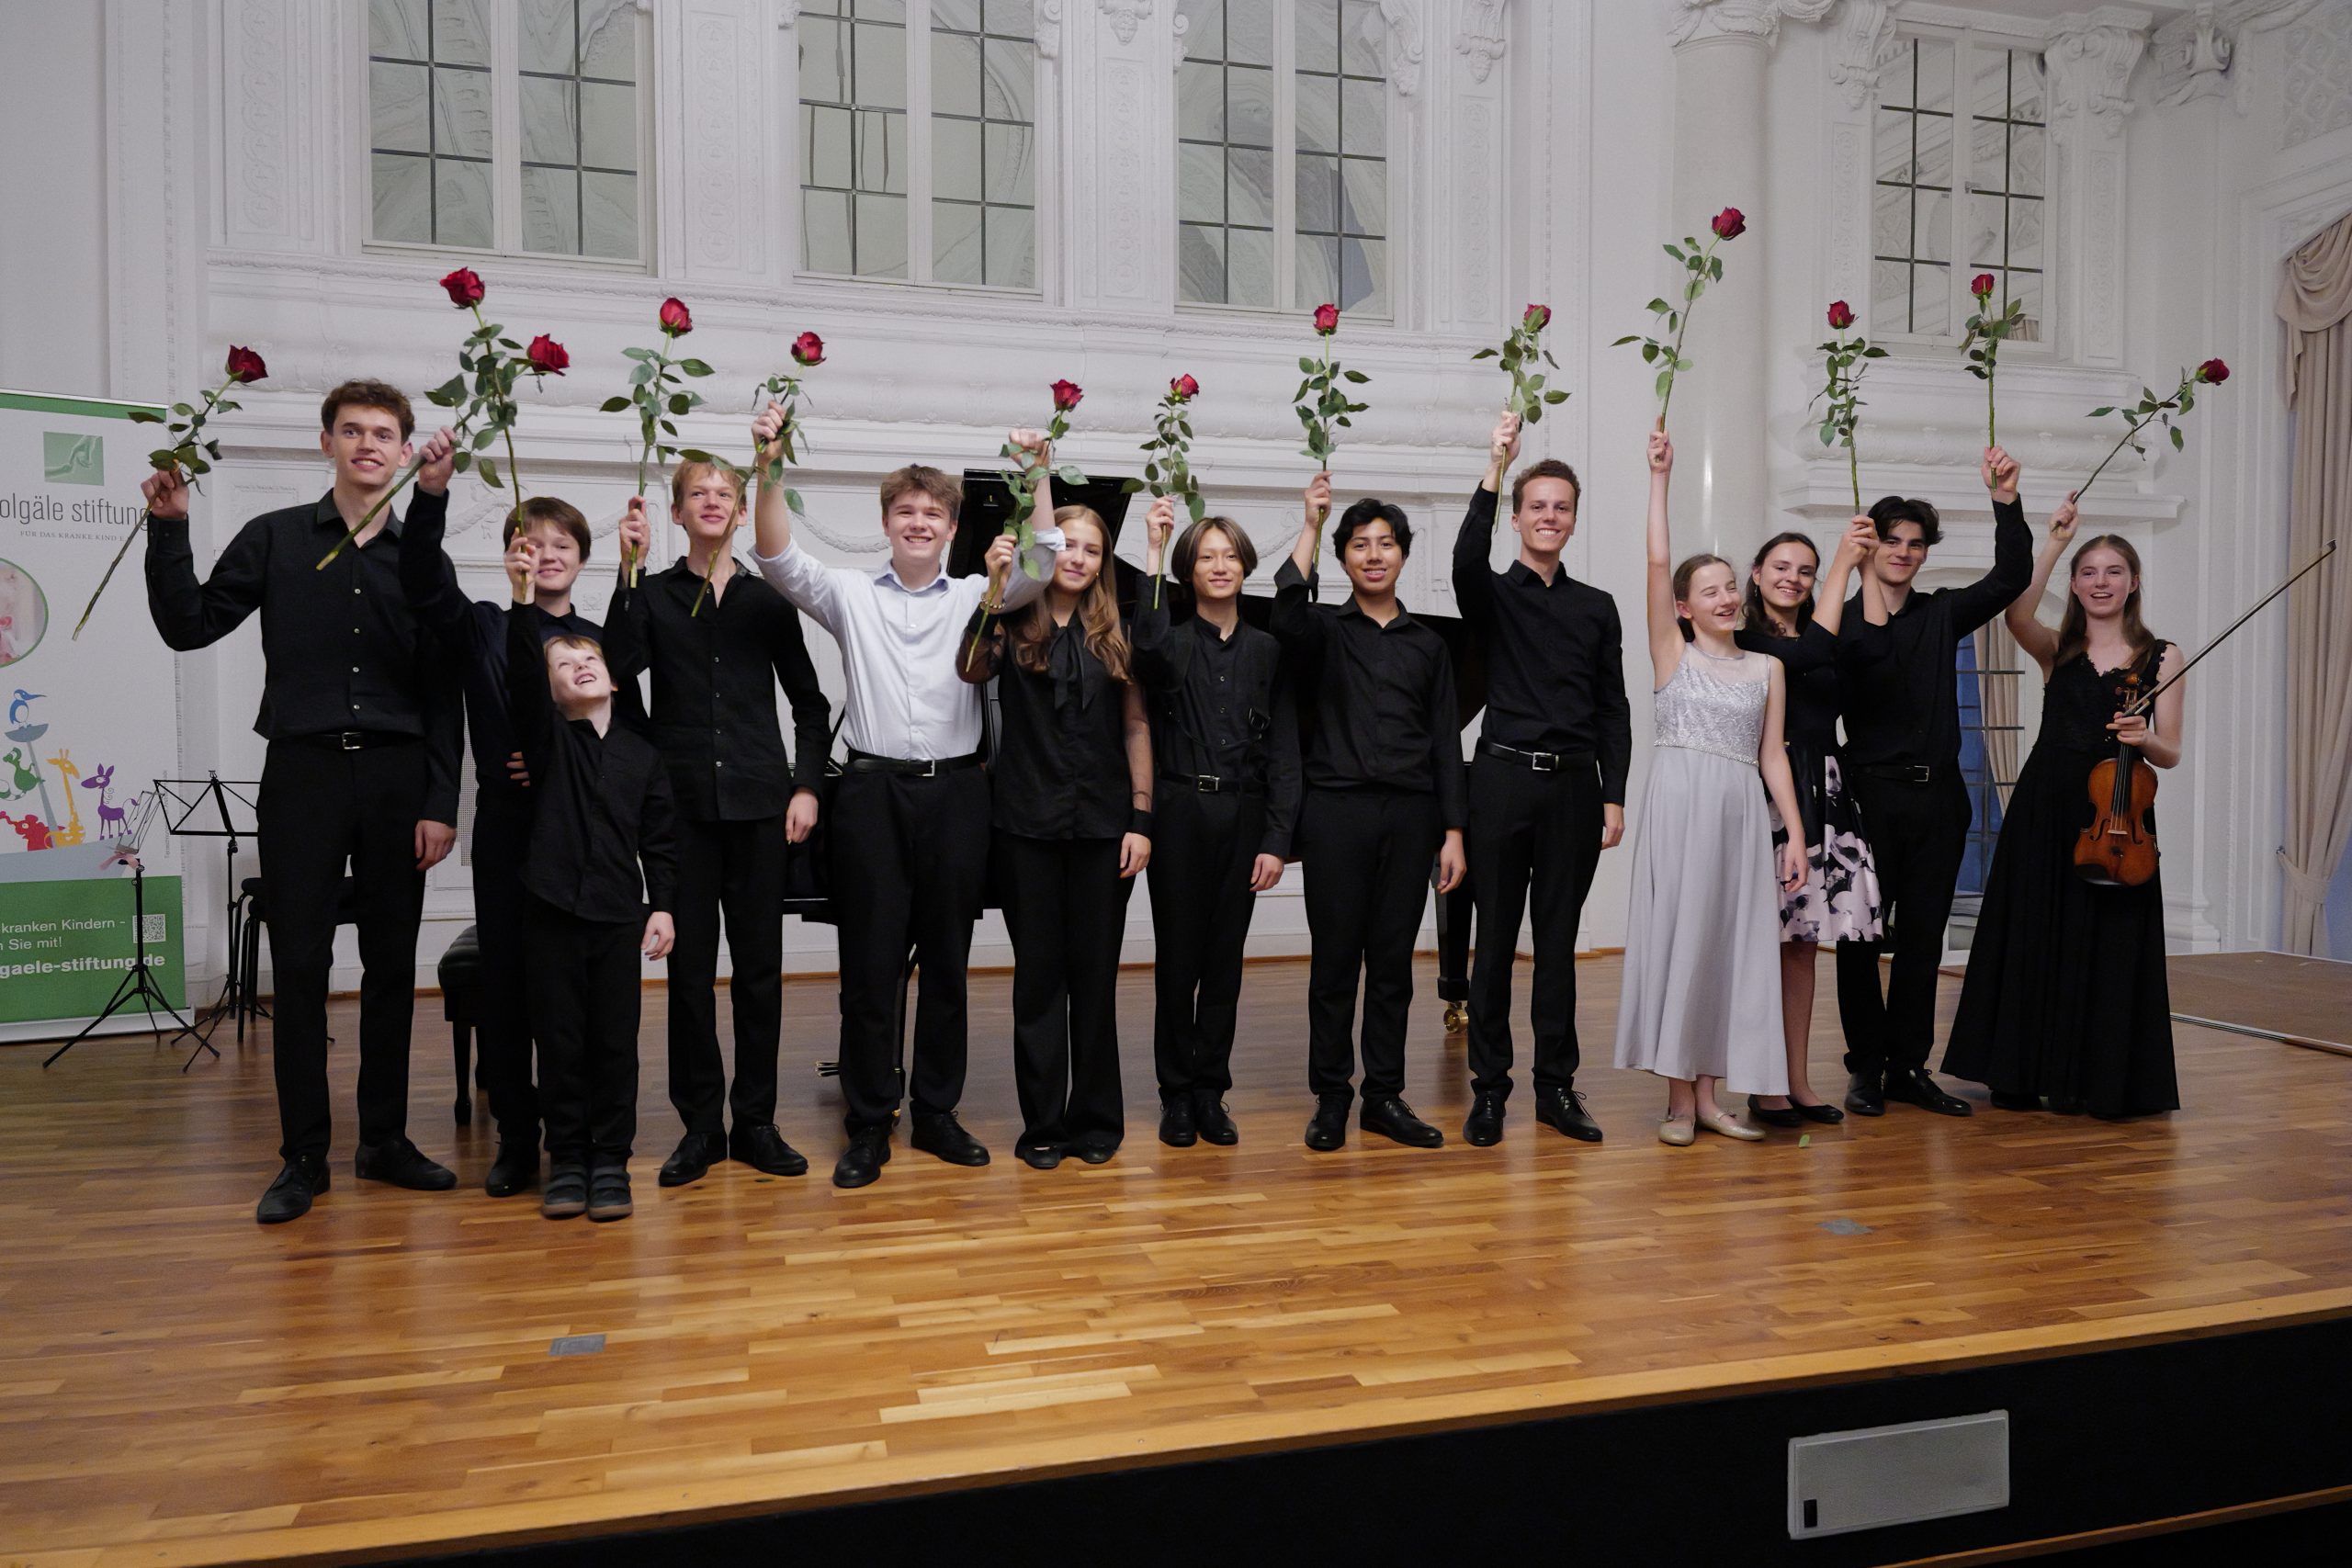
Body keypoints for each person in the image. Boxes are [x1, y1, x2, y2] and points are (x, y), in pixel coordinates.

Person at [142, 381, 463, 1224]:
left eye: (383, 433)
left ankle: (385, 1141)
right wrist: (169, 528)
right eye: (351, 430)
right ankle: (303, 1157)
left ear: (402, 452)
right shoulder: (275, 538)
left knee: (394, 966)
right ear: (326, 442)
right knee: (305, 969)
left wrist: (441, 799)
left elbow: (444, 694)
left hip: (398, 781)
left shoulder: (422, 561)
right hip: (303, 777)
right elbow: (190, 625)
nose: (367, 444)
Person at [750, 407, 1059, 1188]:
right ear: (886, 523)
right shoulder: (851, 594)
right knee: (870, 966)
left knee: (949, 965)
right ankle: (866, 1122)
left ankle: (937, 1112)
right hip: (871, 792)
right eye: (906, 511)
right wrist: (768, 464)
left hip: (958, 794)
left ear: (952, 526)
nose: (919, 522)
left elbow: (1047, 563)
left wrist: (1038, 474)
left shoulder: (979, 595)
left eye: (934, 512)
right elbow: (778, 557)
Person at [606, 464, 830, 1190]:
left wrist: (806, 786)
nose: (711, 503)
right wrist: (626, 572)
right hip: (683, 815)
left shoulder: (768, 601)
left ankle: (755, 1121)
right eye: (697, 493)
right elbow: (617, 670)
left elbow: (809, 703)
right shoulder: (651, 593)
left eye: (724, 494)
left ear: (740, 512)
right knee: (691, 975)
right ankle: (701, 1126)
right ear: (676, 510)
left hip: (764, 809)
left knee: (760, 973)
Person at [400, 488, 617, 1199]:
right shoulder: (485, 623)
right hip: (507, 823)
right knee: (507, 985)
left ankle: (576, 1138)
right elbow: (425, 581)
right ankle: (518, 1140)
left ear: (583, 559)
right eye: (533, 542)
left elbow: (619, 732)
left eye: (563, 544)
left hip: (577, 826)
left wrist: (556, 749)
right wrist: (432, 498)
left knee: (573, 994)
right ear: (511, 555)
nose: (548, 553)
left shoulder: (594, 638)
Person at [1942, 508, 2184, 1118]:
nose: (2101, 581)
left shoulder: (2163, 657)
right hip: (2046, 807)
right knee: (2035, 932)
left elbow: (2172, 749)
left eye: (2115, 571)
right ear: (2074, 584)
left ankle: (2096, 1079)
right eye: (2089, 572)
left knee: (2109, 940)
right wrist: (2053, 544)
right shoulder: (2059, 647)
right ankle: (2022, 1071)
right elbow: (2016, 613)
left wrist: (2141, 737)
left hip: (2119, 814)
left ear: (2134, 581)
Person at [1612, 431, 1809, 1145]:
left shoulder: (1767, 670)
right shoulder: (1673, 654)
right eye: (1711, 589)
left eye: (1732, 585)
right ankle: (1677, 1101)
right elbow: (1658, 558)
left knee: (1730, 946)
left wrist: (1795, 836)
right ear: (1684, 606)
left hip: (1738, 814)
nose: (1726, 596)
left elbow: (1774, 757)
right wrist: (1660, 478)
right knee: (1681, 941)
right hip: (1679, 805)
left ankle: (1712, 1095)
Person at [1451, 411, 1633, 1145]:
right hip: (1498, 781)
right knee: (1494, 942)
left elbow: (1612, 707)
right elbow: (1466, 557)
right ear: (1519, 518)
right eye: (1537, 506)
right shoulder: (1492, 593)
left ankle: (1556, 1087)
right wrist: (1496, 467)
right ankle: (1489, 1091)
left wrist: (1613, 792)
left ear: (1573, 519)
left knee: (1557, 944)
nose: (1549, 516)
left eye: (1562, 507)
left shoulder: (1597, 608)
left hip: (1573, 791)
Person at [1835, 447, 2034, 1118]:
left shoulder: (1942, 612)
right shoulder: (1840, 623)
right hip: (1868, 798)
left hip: (1939, 798)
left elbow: (2012, 576)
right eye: (1891, 540)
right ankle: (1865, 1067)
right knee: (1861, 939)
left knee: (1923, 939)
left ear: (1925, 555)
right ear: (1871, 546)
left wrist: (2004, 500)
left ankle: (1907, 1066)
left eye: (1915, 544)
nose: (1904, 552)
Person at [958, 491, 1153, 1168]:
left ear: (1104, 564)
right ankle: (1042, 1123)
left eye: (1093, 549)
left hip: (1104, 829)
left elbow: (1135, 727)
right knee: (1039, 980)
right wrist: (995, 585)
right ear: (1047, 553)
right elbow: (969, 667)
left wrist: (1141, 818)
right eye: (1066, 544)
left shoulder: (1117, 636)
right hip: (1026, 827)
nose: (1079, 556)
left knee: (1095, 979)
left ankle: (1097, 1119)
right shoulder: (1012, 625)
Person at [1273, 475, 1468, 1152]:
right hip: (1335, 813)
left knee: (1391, 964)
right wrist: (1310, 523)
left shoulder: (1429, 645)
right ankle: (1331, 1096)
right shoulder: (1323, 631)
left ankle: (1383, 1096)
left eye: (1386, 543)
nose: (1375, 554)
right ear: (1345, 558)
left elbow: (1447, 740)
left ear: (1403, 556)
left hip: (1412, 816)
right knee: (1334, 963)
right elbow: (1285, 613)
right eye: (1360, 545)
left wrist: (1453, 830)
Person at [500, 535, 679, 1220]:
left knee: (614, 1043)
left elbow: (661, 841)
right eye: (564, 662)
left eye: (589, 659)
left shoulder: (642, 756)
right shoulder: (546, 742)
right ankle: (566, 1157)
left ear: (613, 677)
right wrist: (522, 604)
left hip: (614, 915)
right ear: (549, 689)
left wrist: (662, 907)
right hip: (548, 912)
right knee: (562, 1041)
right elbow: (521, 671)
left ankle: (611, 1159)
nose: (578, 665)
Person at [1133, 500, 1299, 1148]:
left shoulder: (1268, 649)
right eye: (1206, 555)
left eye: (1230, 554)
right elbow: (1141, 645)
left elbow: (1285, 751)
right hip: (1178, 812)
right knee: (1179, 959)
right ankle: (1175, 1095)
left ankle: (1210, 1093)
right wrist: (1153, 547)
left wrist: (1278, 839)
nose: (1221, 565)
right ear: (1188, 571)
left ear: (1246, 565)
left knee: (1224, 961)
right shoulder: (1168, 640)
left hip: (1244, 814)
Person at [1735, 519, 1890, 1129]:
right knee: (1760, 943)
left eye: (1805, 569)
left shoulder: (1826, 634)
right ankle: (1761, 1081)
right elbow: (1806, 655)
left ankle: (1795, 1080)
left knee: (1802, 945)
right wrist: (1841, 569)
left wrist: (1868, 564)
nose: (1793, 578)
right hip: (1768, 791)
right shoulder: (1745, 638)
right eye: (1781, 566)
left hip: (1826, 790)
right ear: (1755, 573)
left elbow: (1872, 646)